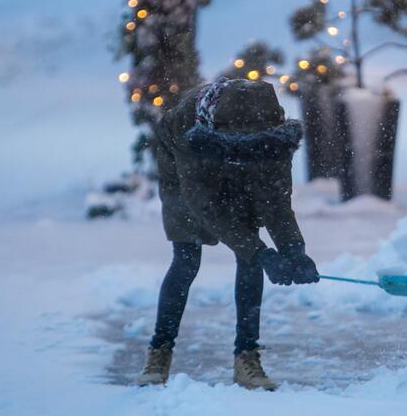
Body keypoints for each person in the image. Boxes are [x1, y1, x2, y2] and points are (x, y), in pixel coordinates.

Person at [137, 77, 319, 390]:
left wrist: (294, 251)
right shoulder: (188, 130)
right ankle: (159, 351)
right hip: (187, 167)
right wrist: (261, 252)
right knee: (187, 258)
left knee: (248, 259)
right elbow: (204, 207)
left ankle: (246, 357)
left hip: (242, 158)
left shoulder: (273, 138)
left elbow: (276, 202)